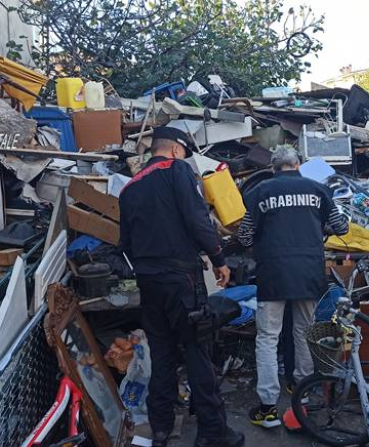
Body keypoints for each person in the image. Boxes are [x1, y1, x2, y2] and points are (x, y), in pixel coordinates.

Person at [120, 126, 244, 447]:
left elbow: (127, 243)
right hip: (181, 281)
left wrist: (158, 264)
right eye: (184, 152)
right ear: (175, 149)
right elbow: (196, 219)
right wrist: (218, 259)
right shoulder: (179, 171)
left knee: (161, 354)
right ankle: (212, 433)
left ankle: (160, 430)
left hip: (149, 283)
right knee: (197, 351)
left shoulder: (130, 187)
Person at [237, 146, 349, 428]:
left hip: (273, 273)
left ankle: (268, 408)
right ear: (297, 164)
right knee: (303, 332)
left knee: (267, 337)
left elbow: (245, 235)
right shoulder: (318, 190)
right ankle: (303, 394)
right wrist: (317, 228)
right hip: (309, 273)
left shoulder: (260, 191)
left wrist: (263, 241)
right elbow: (341, 227)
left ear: (274, 167)